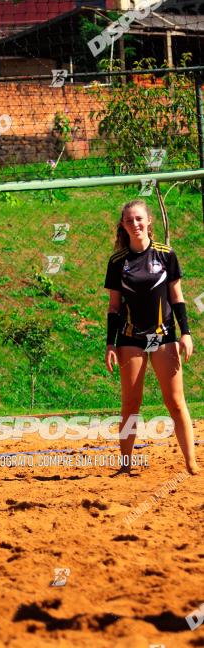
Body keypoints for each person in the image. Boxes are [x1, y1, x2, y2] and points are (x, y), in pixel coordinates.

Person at [104, 199, 198, 475]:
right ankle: (125, 465)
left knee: (175, 401)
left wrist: (186, 334)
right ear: (123, 225)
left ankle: (191, 462)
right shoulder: (118, 262)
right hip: (131, 338)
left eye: (139, 219)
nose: (135, 224)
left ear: (149, 221)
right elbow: (113, 306)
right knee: (131, 404)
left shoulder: (166, 254)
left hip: (164, 336)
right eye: (129, 220)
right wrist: (111, 343)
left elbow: (177, 297)